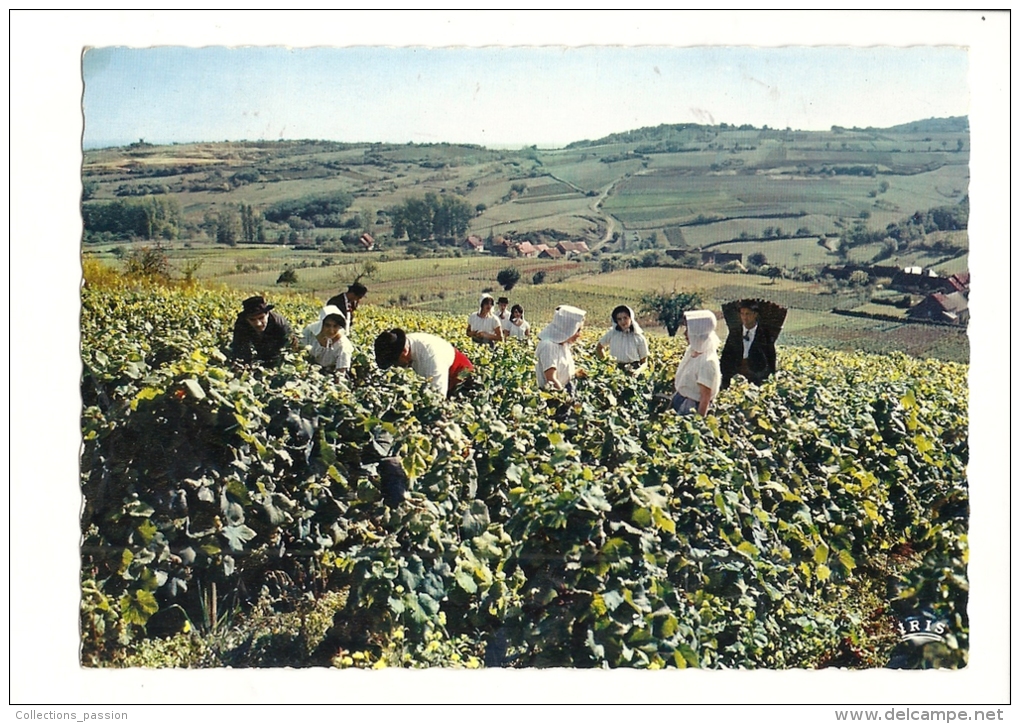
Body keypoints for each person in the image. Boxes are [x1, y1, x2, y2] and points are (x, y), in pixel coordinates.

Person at [374, 328, 474, 398]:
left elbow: (438, 396)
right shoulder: (406, 345)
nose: (396, 365)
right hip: (446, 373)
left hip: (463, 371)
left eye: (395, 361)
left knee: (456, 402)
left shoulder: (430, 357)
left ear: (403, 352)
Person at [671, 309, 722, 416]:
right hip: (681, 400)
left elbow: (705, 399)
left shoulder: (708, 362)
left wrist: (698, 424)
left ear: (698, 333)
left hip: (691, 409)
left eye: (688, 330)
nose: (685, 333)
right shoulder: (692, 351)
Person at [720, 300, 777, 388]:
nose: (744, 317)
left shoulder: (765, 335)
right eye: (742, 314)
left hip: (756, 381)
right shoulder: (734, 333)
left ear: (755, 314)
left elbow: (770, 361)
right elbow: (726, 358)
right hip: (734, 381)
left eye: (748, 314)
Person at [230, 295, 295, 366]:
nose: (258, 324)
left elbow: (286, 350)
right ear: (246, 319)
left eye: (261, 318)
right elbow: (239, 347)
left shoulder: (280, 325)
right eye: (252, 320)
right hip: (257, 349)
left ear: (267, 314)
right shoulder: (241, 323)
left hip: (276, 352)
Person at [535, 304, 587, 391]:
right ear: (568, 328)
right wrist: (567, 400)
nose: (579, 335)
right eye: (578, 330)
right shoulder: (548, 346)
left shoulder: (563, 345)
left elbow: (562, 372)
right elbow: (551, 381)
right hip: (553, 399)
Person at [301, 305, 354, 373]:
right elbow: (298, 351)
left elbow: (340, 373)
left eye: (335, 326)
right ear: (321, 324)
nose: (331, 331)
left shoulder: (343, 345)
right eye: (327, 325)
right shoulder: (310, 332)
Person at [595, 304, 649, 372]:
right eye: (619, 319)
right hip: (615, 370)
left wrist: (637, 371)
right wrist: (606, 363)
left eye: (625, 318)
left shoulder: (639, 337)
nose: (623, 321)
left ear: (631, 318)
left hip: (633, 370)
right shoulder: (612, 333)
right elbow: (599, 347)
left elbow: (644, 362)